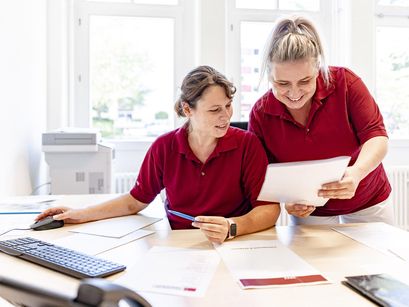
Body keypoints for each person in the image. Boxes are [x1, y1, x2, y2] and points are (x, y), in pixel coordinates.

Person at [36, 65, 280, 243]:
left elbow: (269, 209)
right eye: (215, 109)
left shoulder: (248, 144)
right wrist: (77, 215)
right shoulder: (165, 147)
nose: (226, 116)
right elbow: (134, 201)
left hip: (236, 243)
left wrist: (233, 226)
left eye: (228, 106)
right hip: (181, 245)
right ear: (187, 109)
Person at [249, 16, 393, 225]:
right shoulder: (261, 114)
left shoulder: (346, 83)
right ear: (269, 76)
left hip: (368, 199)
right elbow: (262, 173)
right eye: (282, 83)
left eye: (305, 81)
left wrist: (357, 172)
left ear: (317, 68)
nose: (294, 93)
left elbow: (377, 137)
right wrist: (285, 199)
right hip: (311, 209)